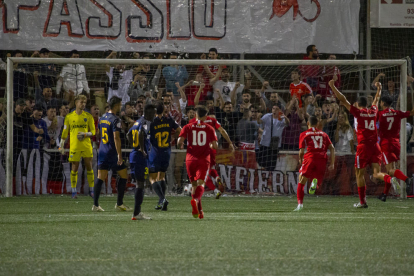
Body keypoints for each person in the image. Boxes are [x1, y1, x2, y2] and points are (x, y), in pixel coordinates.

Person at [329, 80, 395, 208]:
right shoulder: (374, 111)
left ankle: (362, 202)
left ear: (358, 105)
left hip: (363, 146)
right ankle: (389, 178)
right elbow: (376, 100)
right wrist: (379, 88)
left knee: (359, 174)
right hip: (375, 146)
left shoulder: (358, 113)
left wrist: (332, 86)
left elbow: (343, 99)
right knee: (376, 173)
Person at [177, 106, 218, 219]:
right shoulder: (209, 128)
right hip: (203, 159)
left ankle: (200, 211)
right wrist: (209, 145)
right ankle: (195, 200)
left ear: (195, 115)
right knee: (201, 184)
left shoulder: (187, 126)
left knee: (194, 185)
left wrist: (181, 144)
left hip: (190, 159)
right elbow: (215, 145)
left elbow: (179, 141)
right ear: (206, 116)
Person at [93, 96, 131, 212]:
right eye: (120, 105)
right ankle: (119, 203)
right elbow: (116, 138)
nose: (120, 107)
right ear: (116, 106)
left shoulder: (102, 118)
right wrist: (119, 155)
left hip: (102, 151)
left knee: (100, 178)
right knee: (124, 175)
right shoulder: (116, 119)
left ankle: (95, 204)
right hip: (112, 152)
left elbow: (98, 133)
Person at [189, 106, 234, 199]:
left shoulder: (192, 122)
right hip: (211, 149)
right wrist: (230, 143)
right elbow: (221, 130)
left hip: (199, 151)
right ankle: (217, 177)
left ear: (196, 114)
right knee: (211, 168)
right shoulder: (212, 120)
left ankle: (215, 190)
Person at [377, 95, 414, 201]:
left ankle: (406, 179)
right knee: (390, 171)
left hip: (386, 144)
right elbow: (411, 113)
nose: (380, 104)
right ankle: (384, 194)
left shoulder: (380, 114)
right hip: (396, 144)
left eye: (381, 102)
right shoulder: (397, 113)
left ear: (383, 103)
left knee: (390, 170)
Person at [295, 116, 335, 211]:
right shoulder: (324, 134)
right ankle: (314, 184)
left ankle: (300, 205)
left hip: (310, 158)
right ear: (317, 124)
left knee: (301, 180)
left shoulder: (304, 134)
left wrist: (301, 160)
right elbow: (332, 148)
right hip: (322, 159)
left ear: (308, 123)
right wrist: (332, 163)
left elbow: (301, 151)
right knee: (317, 181)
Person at [59, 95, 95, 199]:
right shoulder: (69, 117)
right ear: (76, 103)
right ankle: (74, 192)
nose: (83, 104)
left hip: (86, 146)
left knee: (89, 167)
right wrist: (61, 145)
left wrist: (85, 134)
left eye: (85, 102)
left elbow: (93, 132)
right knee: (74, 169)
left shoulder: (88, 116)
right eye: (81, 102)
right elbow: (65, 132)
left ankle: (92, 190)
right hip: (74, 146)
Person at [148, 103, 181, 211]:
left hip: (155, 152)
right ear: (163, 111)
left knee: (152, 178)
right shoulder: (169, 120)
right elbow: (179, 130)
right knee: (161, 176)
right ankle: (160, 202)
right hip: (166, 151)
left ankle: (162, 198)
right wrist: (172, 138)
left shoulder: (151, 122)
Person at [127, 104, 156, 220]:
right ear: (149, 113)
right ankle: (136, 213)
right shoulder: (145, 122)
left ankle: (136, 213)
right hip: (140, 157)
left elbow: (128, 134)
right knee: (140, 184)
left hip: (133, 155)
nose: (154, 115)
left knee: (140, 183)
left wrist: (134, 146)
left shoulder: (137, 121)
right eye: (153, 113)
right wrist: (142, 150)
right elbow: (141, 133)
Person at [258, 104, 289, 171]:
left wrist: (285, 117)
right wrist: (258, 117)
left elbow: (287, 123)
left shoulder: (282, 118)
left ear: (280, 110)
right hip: (265, 143)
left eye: (276, 109)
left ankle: (270, 176)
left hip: (275, 145)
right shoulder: (267, 116)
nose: (274, 110)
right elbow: (259, 121)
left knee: (272, 164)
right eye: (273, 108)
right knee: (262, 163)